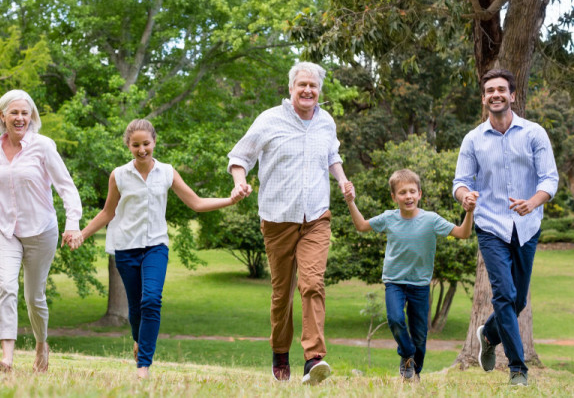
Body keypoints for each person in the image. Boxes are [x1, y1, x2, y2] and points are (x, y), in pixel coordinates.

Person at [71, 119, 243, 380]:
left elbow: (195, 203)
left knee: (151, 300)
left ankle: (143, 366)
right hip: (126, 248)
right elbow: (108, 212)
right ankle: (139, 342)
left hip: (155, 247)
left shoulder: (167, 172)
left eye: (146, 144)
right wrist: (82, 234)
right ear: (128, 146)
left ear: (154, 142)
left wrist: (230, 200)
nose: (142, 149)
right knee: (136, 308)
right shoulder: (118, 175)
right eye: (136, 145)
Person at [227, 62, 350, 385]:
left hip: (316, 217)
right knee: (282, 294)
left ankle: (314, 359)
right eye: (302, 85)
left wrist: (342, 180)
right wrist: (239, 182)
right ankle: (280, 352)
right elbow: (240, 157)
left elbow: (332, 155)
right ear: (291, 88)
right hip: (278, 219)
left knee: (312, 284)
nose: (308, 90)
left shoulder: (325, 121)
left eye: (313, 85)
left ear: (319, 90)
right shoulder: (269, 120)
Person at [0, 90, 83, 373]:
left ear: (31, 117)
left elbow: (66, 187)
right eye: (14, 113)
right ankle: (7, 357)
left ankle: (41, 343)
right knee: (6, 286)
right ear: (3, 116)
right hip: (4, 228)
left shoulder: (44, 146)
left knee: (34, 297)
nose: (20, 118)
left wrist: (73, 223)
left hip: (41, 229)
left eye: (25, 113)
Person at [453, 69, 558, 387]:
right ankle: (517, 370)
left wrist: (533, 201)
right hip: (491, 225)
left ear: (513, 95)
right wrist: (466, 197)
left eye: (501, 89)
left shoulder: (534, 133)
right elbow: (460, 183)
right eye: (489, 91)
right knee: (504, 295)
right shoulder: (473, 139)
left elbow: (549, 179)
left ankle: (488, 333)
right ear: (484, 99)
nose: (495, 94)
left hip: (527, 225)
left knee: (518, 301)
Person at [343, 169, 476, 382]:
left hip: (420, 285)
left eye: (412, 191)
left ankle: (414, 372)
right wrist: (350, 202)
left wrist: (469, 211)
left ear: (420, 194)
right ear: (394, 197)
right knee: (395, 319)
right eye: (403, 192)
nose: (408, 196)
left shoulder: (431, 220)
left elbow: (463, 233)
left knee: (420, 336)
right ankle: (406, 354)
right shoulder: (388, 218)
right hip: (394, 282)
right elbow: (361, 226)